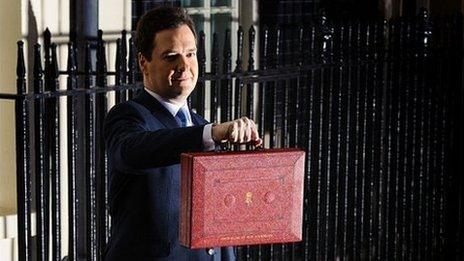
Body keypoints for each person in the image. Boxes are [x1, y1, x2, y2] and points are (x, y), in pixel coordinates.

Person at [103, 5, 262, 261]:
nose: (184, 65)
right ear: (144, 62)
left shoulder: (203, 127)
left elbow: (218, 222)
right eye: (171, 56)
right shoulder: (129, 116)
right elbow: (131, 152)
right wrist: (211, 133)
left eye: (190, 54)